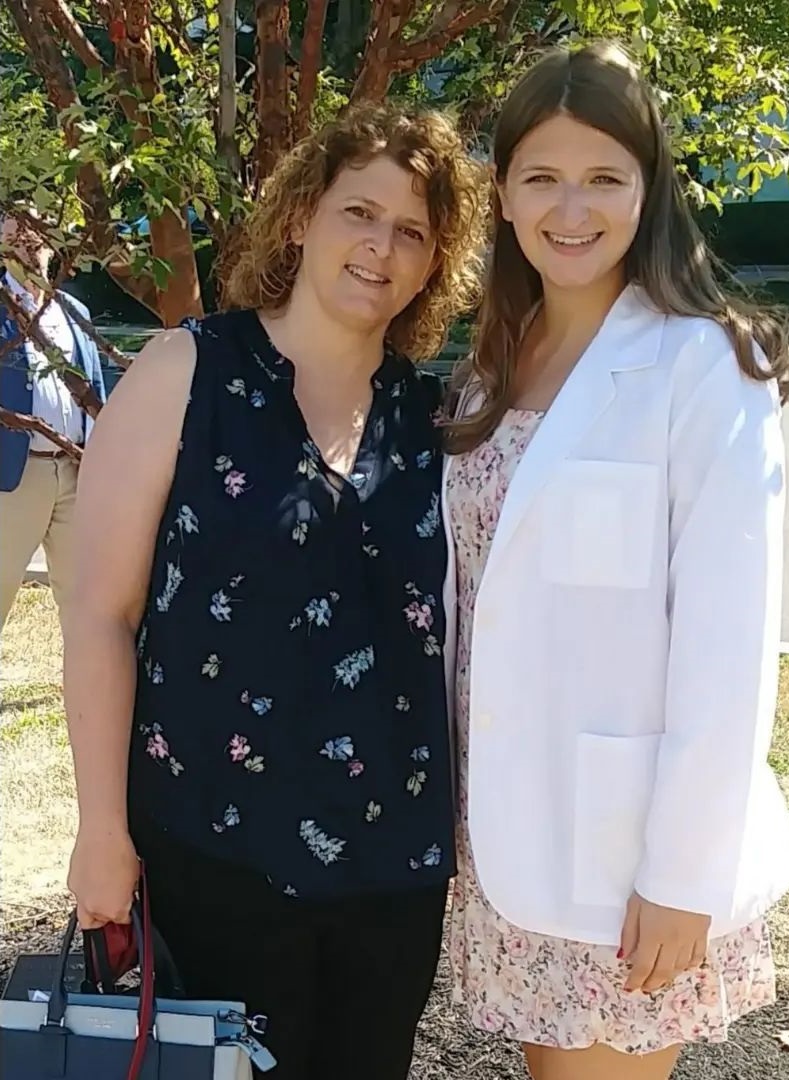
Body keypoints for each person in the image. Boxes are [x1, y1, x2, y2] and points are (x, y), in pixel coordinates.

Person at [63, 103, 486, 1080]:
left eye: (413, 231)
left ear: (433, 267)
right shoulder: (186, 373)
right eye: (359, 212)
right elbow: (100, 612)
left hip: (393, 872)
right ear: (300, 216)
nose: (381, 246)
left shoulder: (440, 419)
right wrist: (100, 830)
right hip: (210, 853)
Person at [443, 43, 789, 1080]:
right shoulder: (490, 369)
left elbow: (728, 643)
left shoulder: (703, 363)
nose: (572, 208)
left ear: (648, 192)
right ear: (503, 195)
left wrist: (685, 873)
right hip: (505, 821)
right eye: (542, 177)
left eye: (605, 177)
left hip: (627, 850)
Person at [0, 210, 106, 630]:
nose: (27, 237)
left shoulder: (72, 309)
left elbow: (94, 389)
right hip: (12, 475)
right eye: (15, 226)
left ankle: (87, 696)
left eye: (36, 228)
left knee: (88, 604)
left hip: (76, 474)